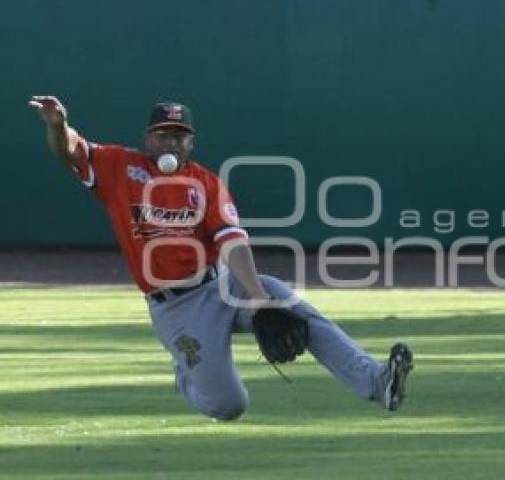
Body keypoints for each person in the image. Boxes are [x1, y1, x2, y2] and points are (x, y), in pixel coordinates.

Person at [28, 95, 413, 420]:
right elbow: (72, 150)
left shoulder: (208, 184)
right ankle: (186, 372)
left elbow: (233, 242)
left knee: (291, 305)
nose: (171, 143)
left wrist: (259, 297)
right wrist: (58, 125)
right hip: (176, 307)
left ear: (191, 143)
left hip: (219, 284)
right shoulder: (120, 168)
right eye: (164, 135)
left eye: (180, 137)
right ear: (149, 138)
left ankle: (378, 382)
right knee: (229, 405)